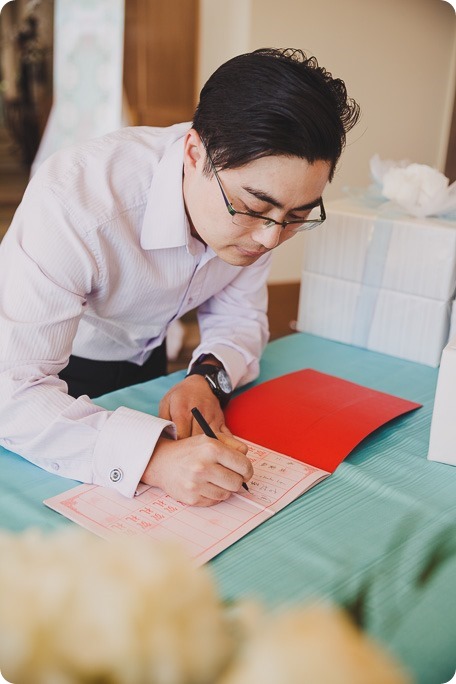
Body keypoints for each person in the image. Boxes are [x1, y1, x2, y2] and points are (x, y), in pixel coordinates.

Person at [0, 48, 360, 505]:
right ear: (194, 153)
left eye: (297, 216)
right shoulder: (76, 200)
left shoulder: (265, 211)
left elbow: (239, 318)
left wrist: (207, 378)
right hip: (48, 363)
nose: (270, 239)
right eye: (254, 208)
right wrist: (154, 460)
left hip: (146, 354)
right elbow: (11, 393)